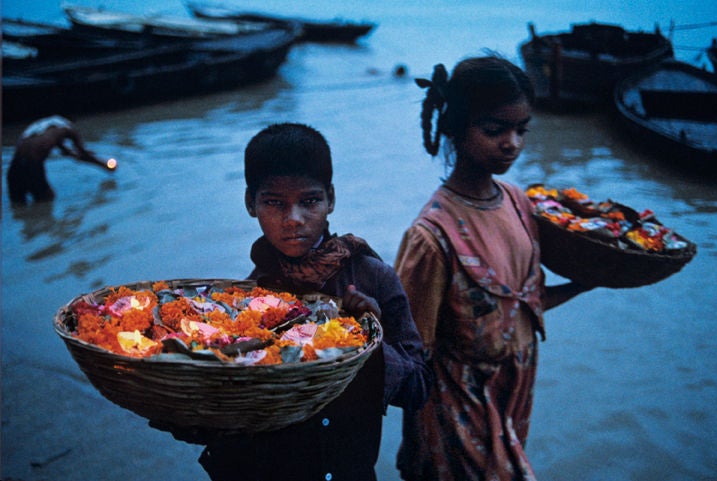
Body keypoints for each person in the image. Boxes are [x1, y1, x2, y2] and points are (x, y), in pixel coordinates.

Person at [189, 122, 431, 481]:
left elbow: (419, 389)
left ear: (330, 198)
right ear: (250, 203)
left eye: (310, 201)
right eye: (274, 203)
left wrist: (370, 341)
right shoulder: (245, 300)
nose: (293, 220)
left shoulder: (372, 278)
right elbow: (236, 409)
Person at [394, 56, 593, 481]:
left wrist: (585, 283)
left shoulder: (520, 204)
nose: (512, 143)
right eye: (494, 130)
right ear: (455, 127)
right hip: (457, 405)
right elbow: (411, 351)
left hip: (513, 390)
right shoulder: (431, 237)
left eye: (522, 130)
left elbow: (520, 304)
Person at [6, 115, 116, 206]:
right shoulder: (68, 129)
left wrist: (73, 154)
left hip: (14, 167)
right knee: (46, 202)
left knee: (18, 206)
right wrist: (104, 165)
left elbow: (67, 152)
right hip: (32, 163)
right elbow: (84, 154)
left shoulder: (48, 126)